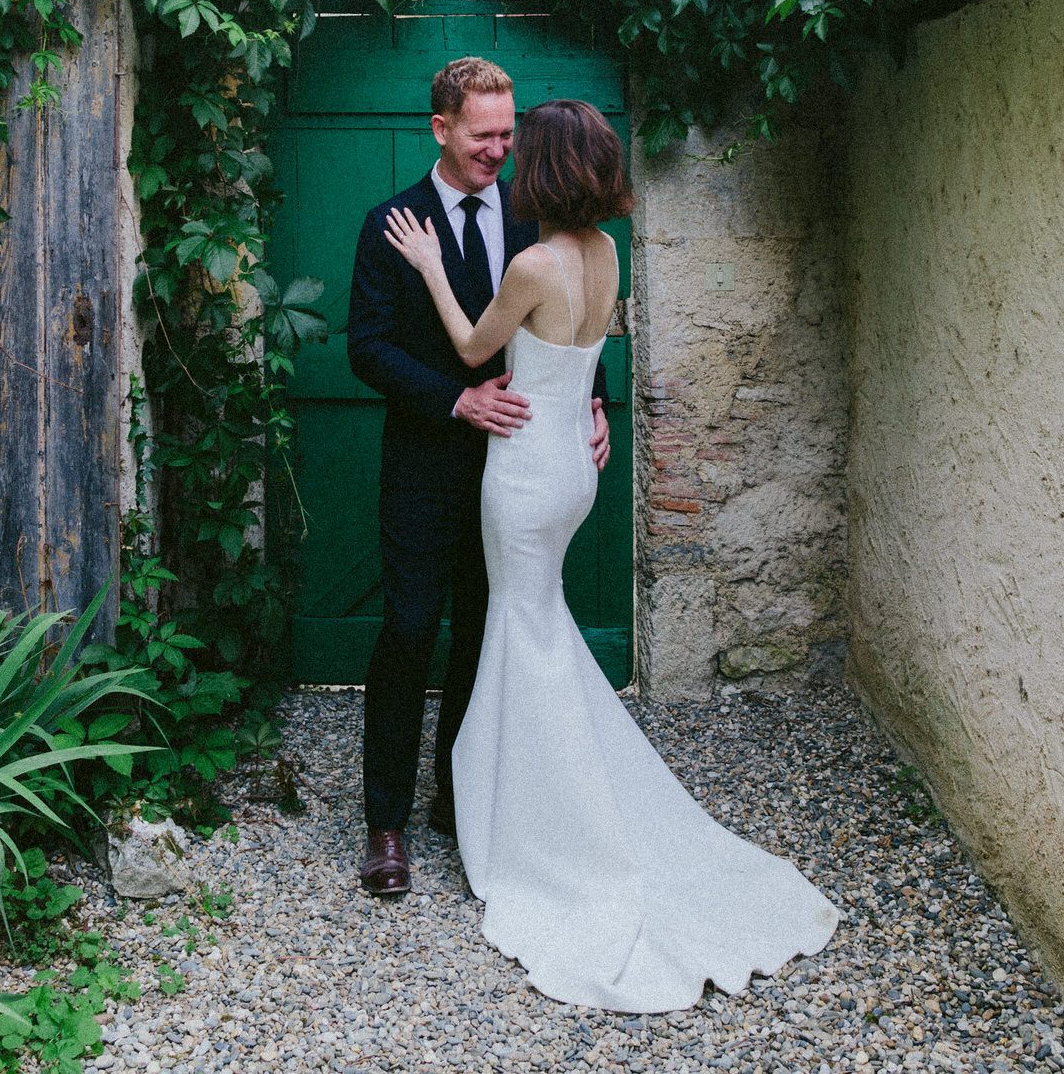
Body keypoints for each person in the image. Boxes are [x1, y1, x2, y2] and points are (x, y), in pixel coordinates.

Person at [379, 96, 840, 1013]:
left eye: (523, 153)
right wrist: (589, 409)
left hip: (521, 476)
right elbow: (581, 359)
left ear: (545, 171)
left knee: (521, 629)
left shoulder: (534, 261)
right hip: (573, 471)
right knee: (532, 627)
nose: (508, 163)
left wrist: (432, 264)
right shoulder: (604, 254)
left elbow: (475, 345)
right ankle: (506, 798)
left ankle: (546, 825)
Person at [344, 57, 610, 899]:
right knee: (410, 630)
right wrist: (455, 402)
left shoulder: (543, 218)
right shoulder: (392, 223)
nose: (501, 149)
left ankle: (460, 803)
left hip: (521, 473)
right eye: (484, 135)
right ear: (442, 129)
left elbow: (567, 320)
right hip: (427, 464)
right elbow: (369, 348)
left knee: (483, 639)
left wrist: (590, 401)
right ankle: (385, 823)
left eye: (508, 133)